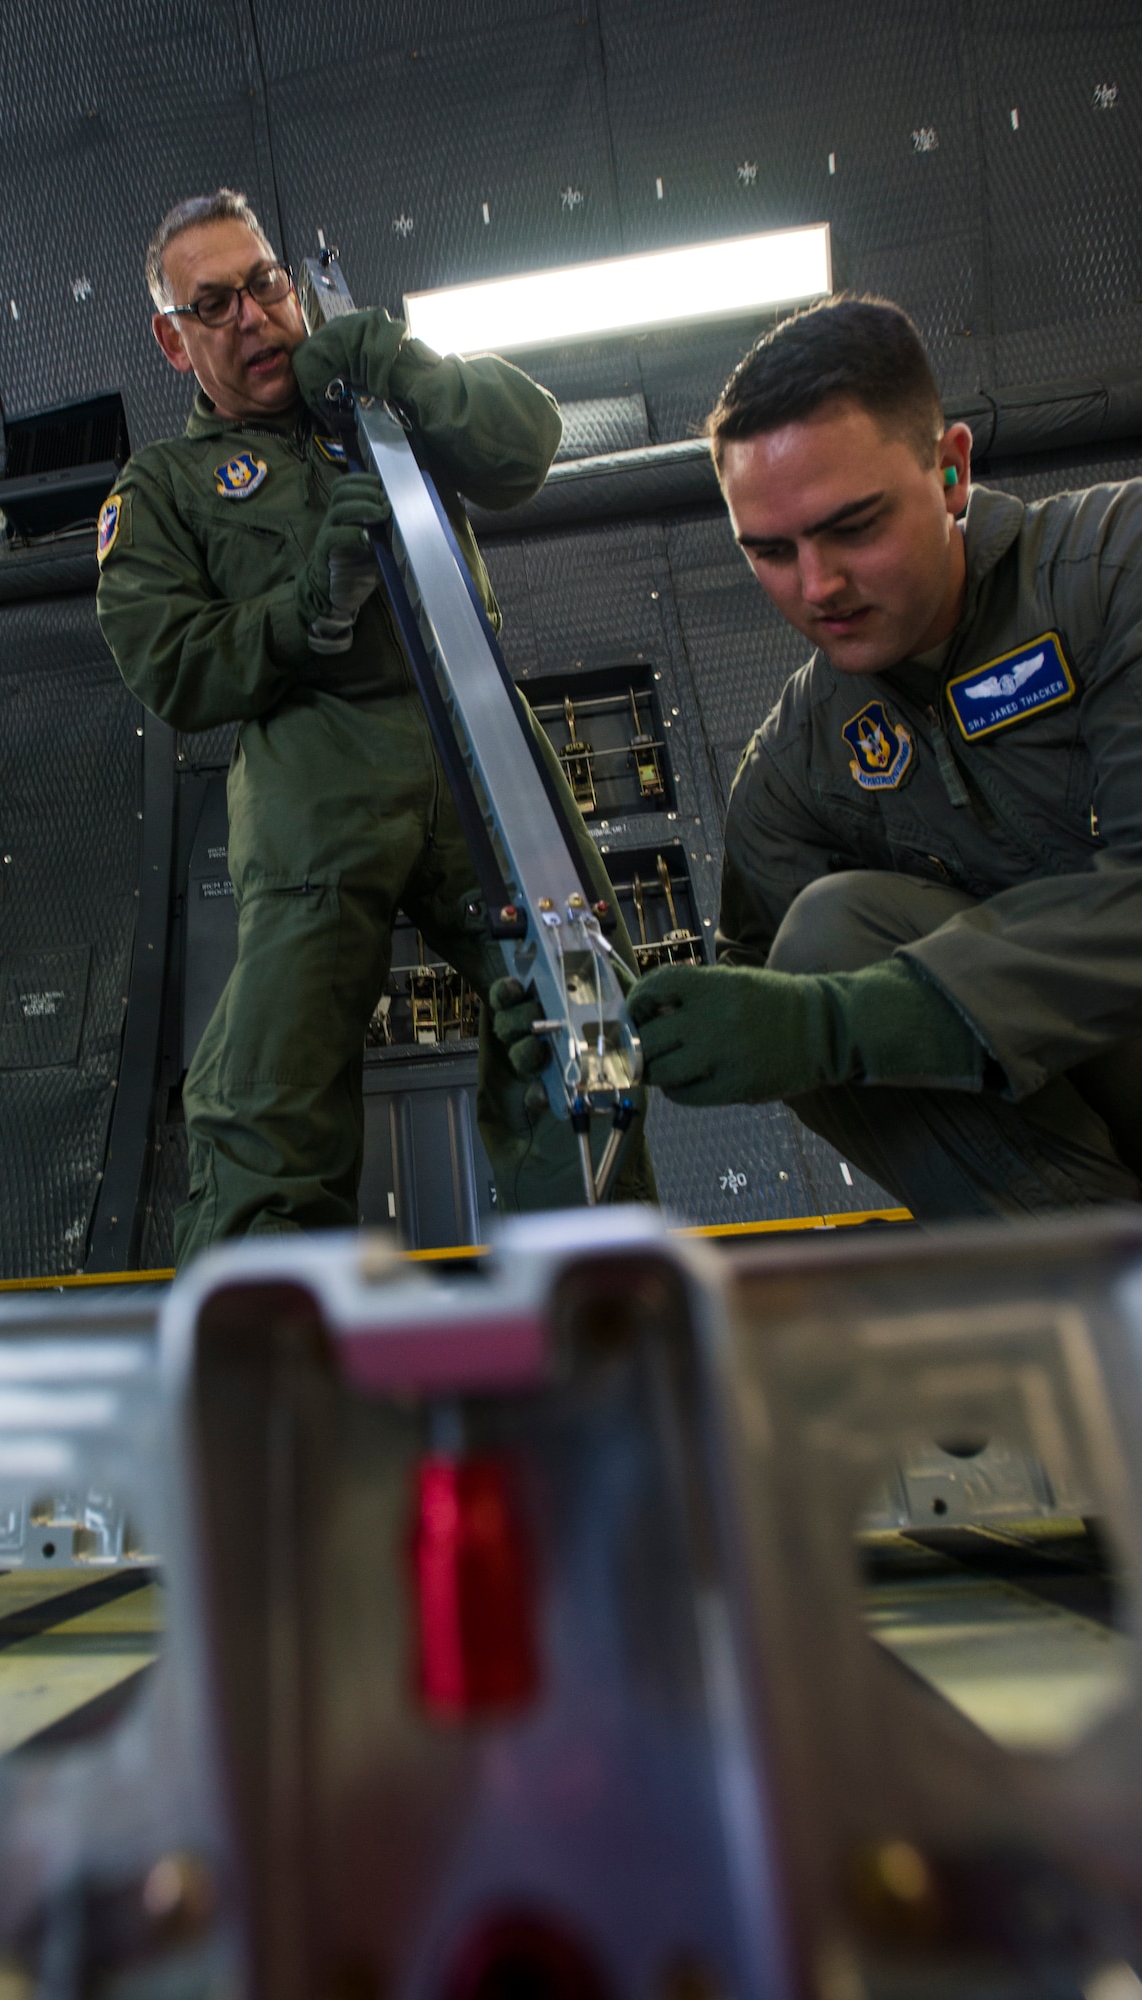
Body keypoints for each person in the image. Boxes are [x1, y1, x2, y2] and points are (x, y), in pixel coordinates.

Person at [95, 188, 652, 1259]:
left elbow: (524, 447)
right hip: (315, 765)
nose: (254, 316)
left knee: (578, 1016)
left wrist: (398, 364)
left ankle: (589, 1298)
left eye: (264, 283)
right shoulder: (163, 487)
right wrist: (307, 605)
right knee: (276, 1077)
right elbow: (171, 667)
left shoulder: (382, 410)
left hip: (482, 739)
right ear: (174, 340)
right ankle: (268, 1350)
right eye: (214, 305)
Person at [498, 295, 1142, 1220]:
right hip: (1086, 1170)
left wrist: (841, 1024)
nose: (817, 586)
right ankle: (1085, 1272)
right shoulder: (801, 761)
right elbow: (756, 990)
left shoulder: (1110, 571)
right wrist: (605, 1020)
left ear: (950, 469)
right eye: (769, 551)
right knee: (822, 938)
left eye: (853, 527)